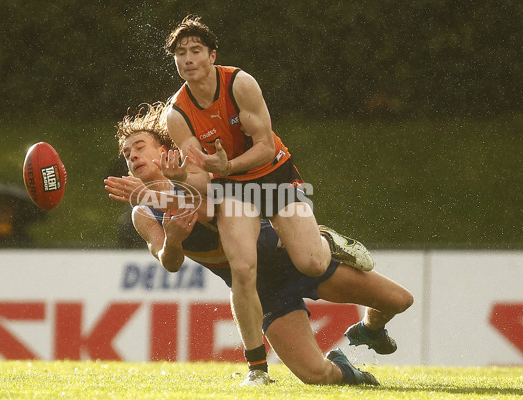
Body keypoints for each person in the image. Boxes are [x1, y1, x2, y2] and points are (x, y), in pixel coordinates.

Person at [104, 103, 413, 386]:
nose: (132, 156)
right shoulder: (143, 214)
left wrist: (158, 196)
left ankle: (369, 329)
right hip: (262, 292)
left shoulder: (194, 174)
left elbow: (213, 210)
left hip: (288, 256)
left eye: (140, 147)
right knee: (315, 375)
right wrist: (173, 239)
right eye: (128, 154)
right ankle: (349, 372)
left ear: (164, 150)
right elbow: (170, 262)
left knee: (399, 300)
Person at [161, 15, 373, 382]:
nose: (188, 59)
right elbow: (199, 172)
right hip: (231, 188)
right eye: (181, 53)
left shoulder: (240, 83)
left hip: (274, 174)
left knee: (310, 263)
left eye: (196, 51)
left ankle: (325, 240)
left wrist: (227, 166)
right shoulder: (176, 114)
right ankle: (257, 369)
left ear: (213, 55)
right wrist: (182, 177)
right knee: (242, 269)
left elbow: (263, 146)